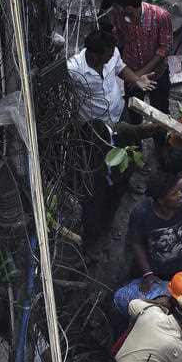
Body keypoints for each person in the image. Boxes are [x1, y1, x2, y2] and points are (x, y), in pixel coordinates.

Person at [67, 29, 156, 250]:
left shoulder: (111, 53)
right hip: (96, 131)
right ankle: (97, 226)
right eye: (106, 56)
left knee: (127, 158)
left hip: (118, 113)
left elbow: (120, 67)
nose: (110, 58)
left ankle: (122, 185)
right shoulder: (74, 70)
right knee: (102, 175)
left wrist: (137, 79)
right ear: (94, 55)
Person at [110, 0, 173, 122]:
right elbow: (119, 38)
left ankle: (161, 141)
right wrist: (129, 74)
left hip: (157, 74)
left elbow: (163, 50)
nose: (122, 14)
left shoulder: (161, 16)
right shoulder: (117, 14)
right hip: (131, 71)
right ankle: (135, 144)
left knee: (160, 112)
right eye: (118, 9)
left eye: (126, 11)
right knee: (133, 112)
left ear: (134, 5)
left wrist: (137, 75)